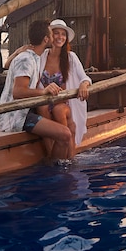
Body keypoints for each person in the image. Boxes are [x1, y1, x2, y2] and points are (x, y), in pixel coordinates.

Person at [0, 20, 75, 161]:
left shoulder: (35, 57)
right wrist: (44, 91)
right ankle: (55, 171)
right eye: (51, 34)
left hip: (26, 112)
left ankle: (58, 161)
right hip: (15, 117)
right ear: (46, 39)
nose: (54, 37)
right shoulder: (26, 59)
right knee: (65, 135)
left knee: (68, 129)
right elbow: (18, 92)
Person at [41, 19, 91, 156]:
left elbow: (85, 78)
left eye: (63, 34)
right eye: (56, 33)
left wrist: (83, 85)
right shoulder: (42, 56)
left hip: (64, 103)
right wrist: (20, 51)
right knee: (42, 108)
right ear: (50, 36)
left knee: (59, 111)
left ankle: (67, 155)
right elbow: (10, 66)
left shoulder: (71, 57)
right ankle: (51, 153)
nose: (60, 37)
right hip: (43, 103)